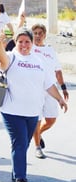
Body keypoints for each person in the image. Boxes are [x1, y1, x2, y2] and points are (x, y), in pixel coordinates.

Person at [0, 28, 67, 182]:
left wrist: (60, 99)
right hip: (12, 111)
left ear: (32, 43)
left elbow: (48, 84)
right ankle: (21, 179)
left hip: (32, 112)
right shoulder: (11, 57)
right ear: (15, 42)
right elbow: (1, 61)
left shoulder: (38, 60)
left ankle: (16, 171)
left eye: (27, 41)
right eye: (20, 41)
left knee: (23, 144)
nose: (24, 45)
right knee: (20, 143)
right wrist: (0, 44)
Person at [31, 24, 69, 158]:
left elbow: (58, 70)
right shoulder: (29, 48)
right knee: (37, 118)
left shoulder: (50, 51)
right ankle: (37, 146)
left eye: (40, 33)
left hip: (51, 89)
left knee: (51, 119)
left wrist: (63, 88)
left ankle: (38, 133)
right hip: (36, 89)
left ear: (44, 35)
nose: (37, 35)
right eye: (35, 33)